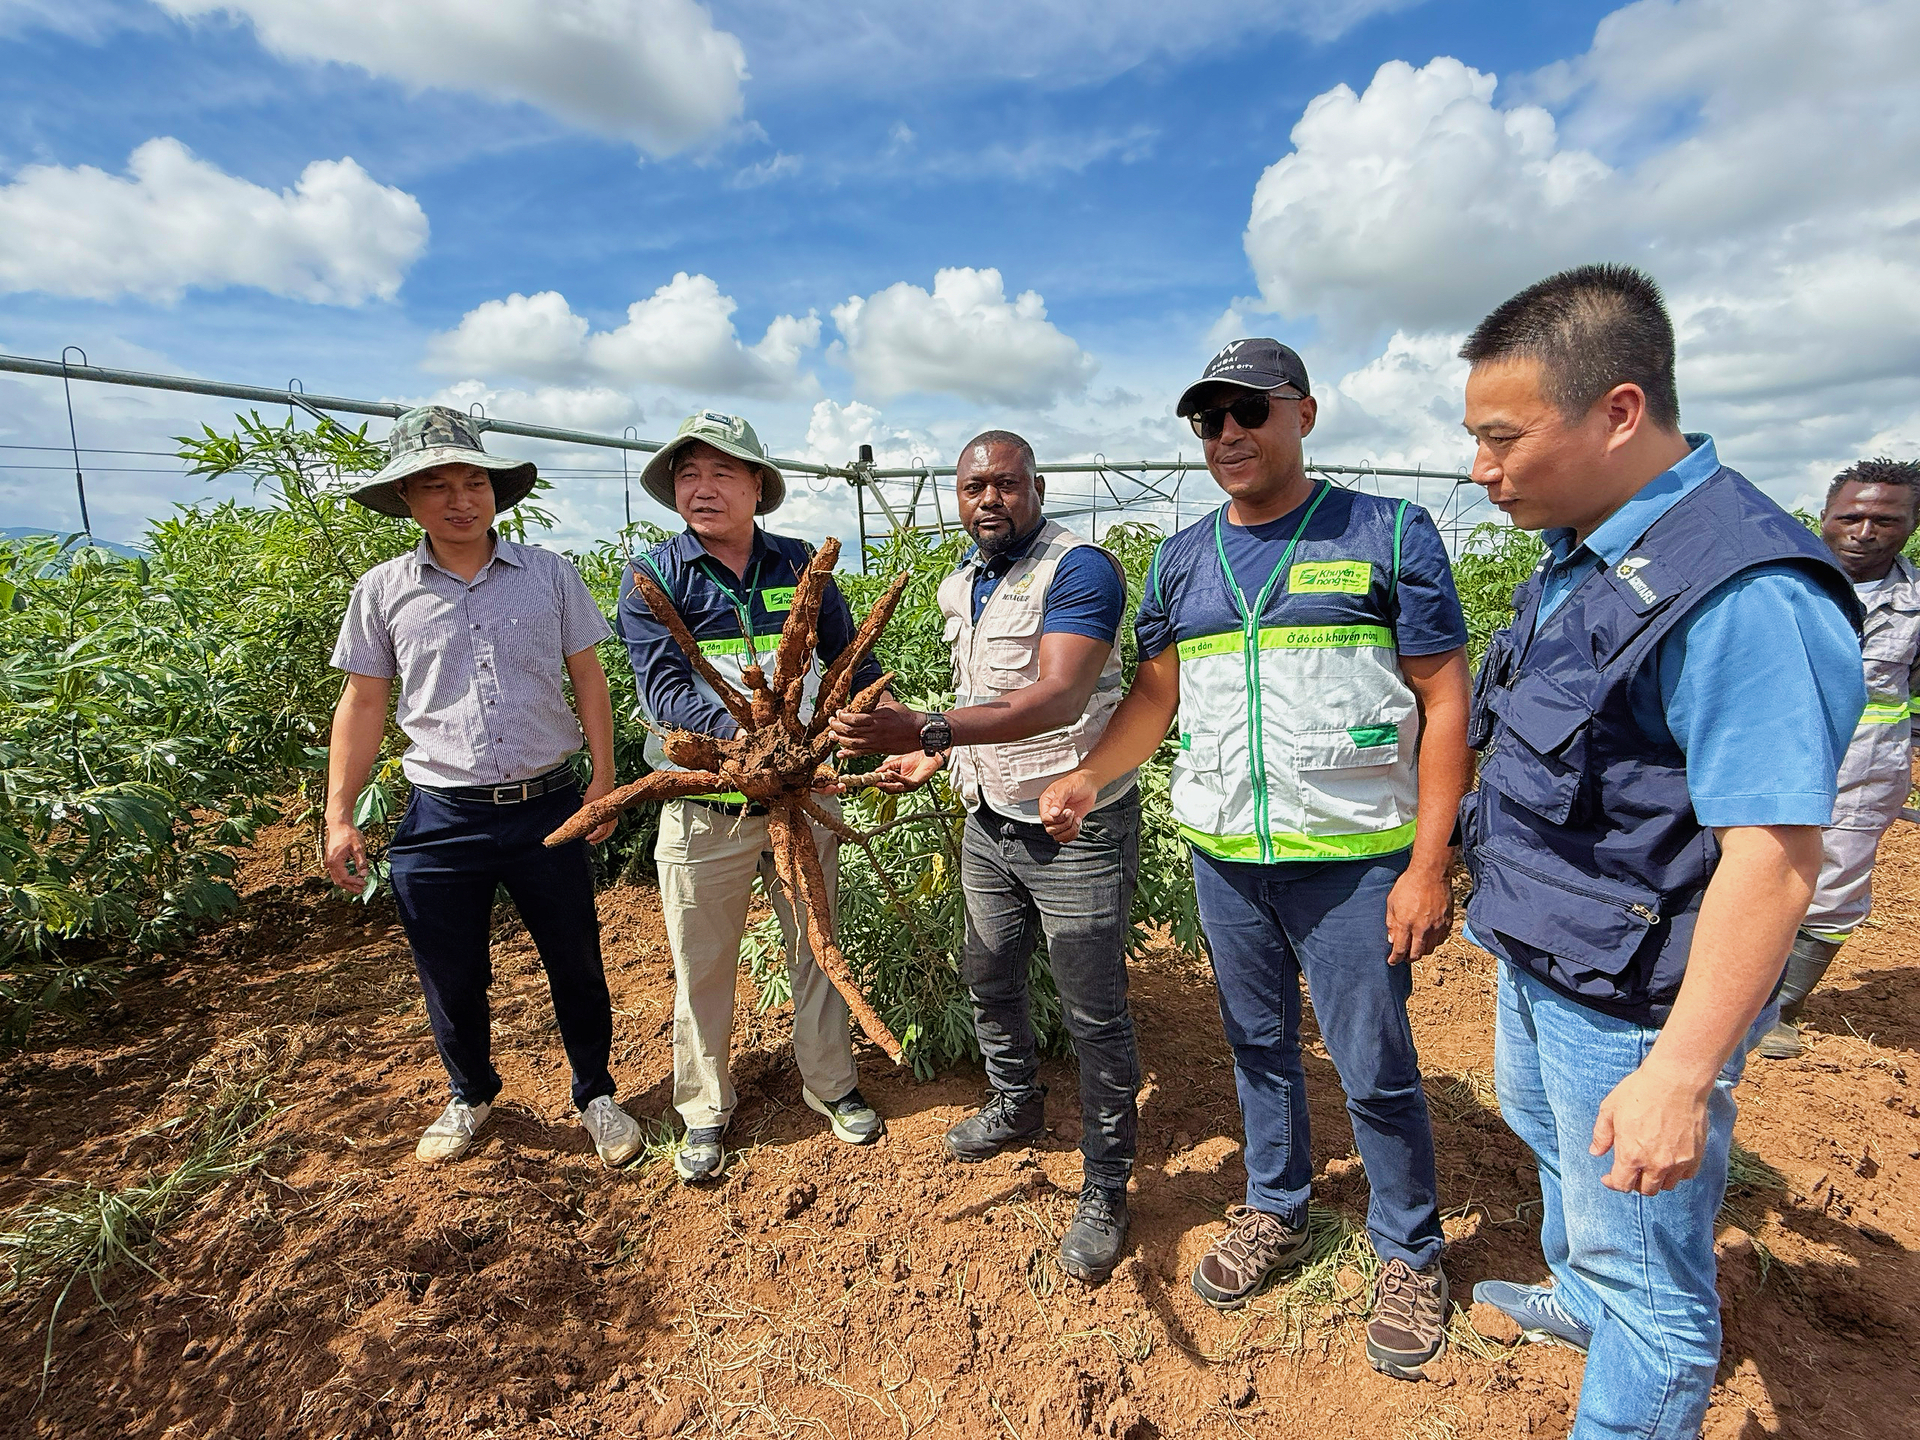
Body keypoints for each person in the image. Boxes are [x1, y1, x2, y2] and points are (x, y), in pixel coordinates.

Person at [1455, 264, 1863, 1439]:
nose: (1482, 468)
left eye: (1502, 438)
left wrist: (1680, 1075)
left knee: (1660, 1300)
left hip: (1637, 1002)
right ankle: (1580, 1295)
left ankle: (1622, 1348)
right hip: (1552, 954)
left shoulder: (1744, 593)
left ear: (1619, 412)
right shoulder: (1588, 545)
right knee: (1554, 1152)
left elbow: (1775, 857)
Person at [1041, 339, 1471, 1378]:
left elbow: (1446, 697)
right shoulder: (1184, 558)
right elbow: (1156, 698)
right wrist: (1089, 777)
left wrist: (1428, 863)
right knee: (1258, 1045)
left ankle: (1410, 1251)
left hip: (1358, 859)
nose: (1228, 434)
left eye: (1249, 412)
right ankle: (1276, 1204)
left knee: (1372, 1063)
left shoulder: (1388, 533)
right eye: (1208, 419)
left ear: (1303, 415)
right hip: (1228, 854)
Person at [829, 430, 1144, 1286]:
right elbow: (984, 700)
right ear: (957, 499)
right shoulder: (961, 583)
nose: (990, 500)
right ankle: (1016, 1104)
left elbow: (1059, 694)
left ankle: (1107, 1185)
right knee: (989, 970)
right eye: (974, 489)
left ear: (1035, 486)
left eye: (1007, 484)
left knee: (1094, 1010)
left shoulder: (1079, 571)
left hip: (1076, 826)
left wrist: (923, 726)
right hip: (989, 819)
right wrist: (938, 754)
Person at [326, 405, 644, 1168]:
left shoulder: (549, 574)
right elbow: (364, 702)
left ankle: (596, 1092)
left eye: (474, 482)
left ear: (497, 491)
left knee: (575, 958)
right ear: (406, 499)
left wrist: (603, 779)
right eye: (435, 486)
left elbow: (588, 678)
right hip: (441, 814)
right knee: (451, 970)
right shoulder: (383, 591)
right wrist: (340, 816)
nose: (459, 499)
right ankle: (470, 1093)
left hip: (549, 803)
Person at [618, 411, 887, 1184]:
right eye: (688, 475)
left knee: (816, 945)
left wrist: (864, 723)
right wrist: (760, 735)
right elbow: (665, 691)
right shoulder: (655, 579)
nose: (702, 488)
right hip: (710, 807)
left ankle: (831, 1084)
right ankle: (704, 1109)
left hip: (802, 799)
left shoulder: (803, 564)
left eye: (722, 473)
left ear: (758, 486)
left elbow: (849, 659)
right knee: (701, 963)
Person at [1759, 458, 1920, 1058]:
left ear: (1909, 524)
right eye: (1849, 516)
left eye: (1885, 519)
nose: (1864, 530)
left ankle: (1781, 1007)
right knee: (1739, 865)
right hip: (1772, 747)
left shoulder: (1914, 604)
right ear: (1825, 517)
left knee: (1833, 884)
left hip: (1865, 766)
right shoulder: (1780, 580)